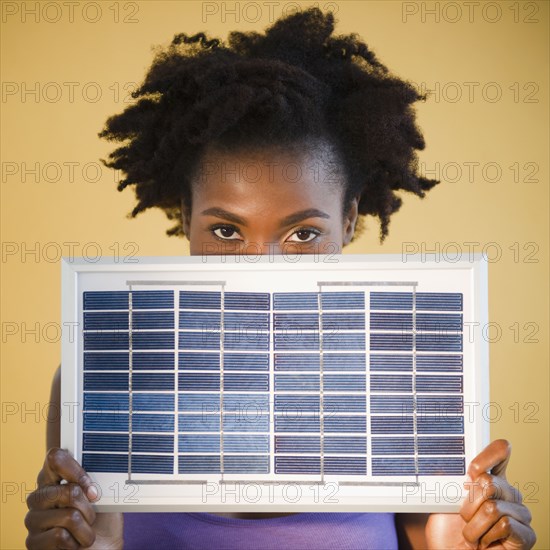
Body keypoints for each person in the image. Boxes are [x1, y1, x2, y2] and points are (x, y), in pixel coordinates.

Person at [24, 7, 536, 549]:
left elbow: (441, 539)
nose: (260, 267)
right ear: (185, 215)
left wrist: (467, 542)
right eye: (226, 233)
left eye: (302, 235)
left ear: (348, 219)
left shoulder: (412, 379)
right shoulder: (104, 382)